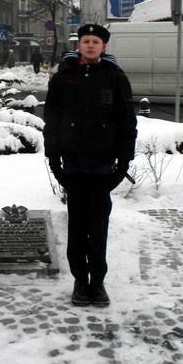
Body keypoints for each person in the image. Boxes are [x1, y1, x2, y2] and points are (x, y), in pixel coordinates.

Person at [43, 23, 137, 308]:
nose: (91, 45)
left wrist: (123, 161)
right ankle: (80, 282)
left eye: (96, 41)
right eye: (86, 40)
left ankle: (98, 282)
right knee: (77, 228)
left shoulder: (115, 77)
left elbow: (127, 121)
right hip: (73, 166)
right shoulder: (63, 77)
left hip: (102, 166)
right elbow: (53, 121)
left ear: (103, 46)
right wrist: (54, 159)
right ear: (79, 45)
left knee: (98, 228)